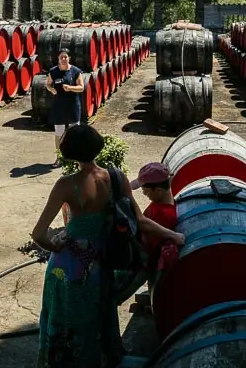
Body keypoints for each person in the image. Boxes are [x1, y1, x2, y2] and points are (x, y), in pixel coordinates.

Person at [31, 125, 184, 367]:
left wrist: (56, 246)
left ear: (68, 152)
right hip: (101, 265)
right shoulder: (115, 176)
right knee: (97, 319)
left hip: (68, 268)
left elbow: (38, 234)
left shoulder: (66, 185)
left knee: (67, 325)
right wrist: (174, 236)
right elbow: (140, 220)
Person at [114, 163, 179, 305]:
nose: (143, 193)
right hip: (136, 260)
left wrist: (128, 196)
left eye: (145, 190)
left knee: (113, 295)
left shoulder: (164, 214)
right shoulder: (163, 203)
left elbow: (142, 223)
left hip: (139, 266)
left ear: (158, 190)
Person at [45, 49, 84, 167]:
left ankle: (76, 158)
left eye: (65, 57)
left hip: (72, 106)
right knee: (59, 134)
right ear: (58, 59)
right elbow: (48, 84)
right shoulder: (53, 71)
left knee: (75, 133)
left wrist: (71, 88)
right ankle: (60, 158)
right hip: (59, 106)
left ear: (69, 58)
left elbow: (81, 87)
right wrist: (52, 90)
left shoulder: (75, 71)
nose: (63, 59)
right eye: (61, 57)